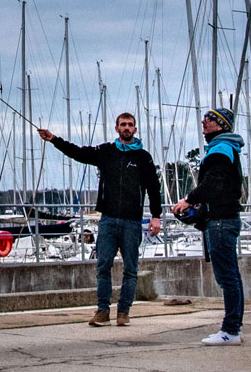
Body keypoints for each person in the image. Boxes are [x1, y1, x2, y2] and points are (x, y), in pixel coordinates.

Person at [36, 112, 165, 326]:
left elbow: (154, 188)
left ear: (135, 129)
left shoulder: (143, 157)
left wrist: (156, 217)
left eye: (130, 125)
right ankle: (102, 311)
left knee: (131, 269)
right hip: (108, 220)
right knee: (103, 266)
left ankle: (123, 312)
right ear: (116, 128)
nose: (126, 128)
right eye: (123, 124)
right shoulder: (105, 151)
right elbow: (78, 153)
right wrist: (54, 139)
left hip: (132, 221)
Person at [173, 108, 246, 345]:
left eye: (210, 119)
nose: (204, 121)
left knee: (227, 277)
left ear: (222, 125)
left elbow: (213, 184)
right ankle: (234, 328)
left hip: (222, 221)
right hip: (223, 218)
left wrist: (188, 200)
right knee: (231, 276)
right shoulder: (225, 147)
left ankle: (230, 331)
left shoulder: (220, 149)